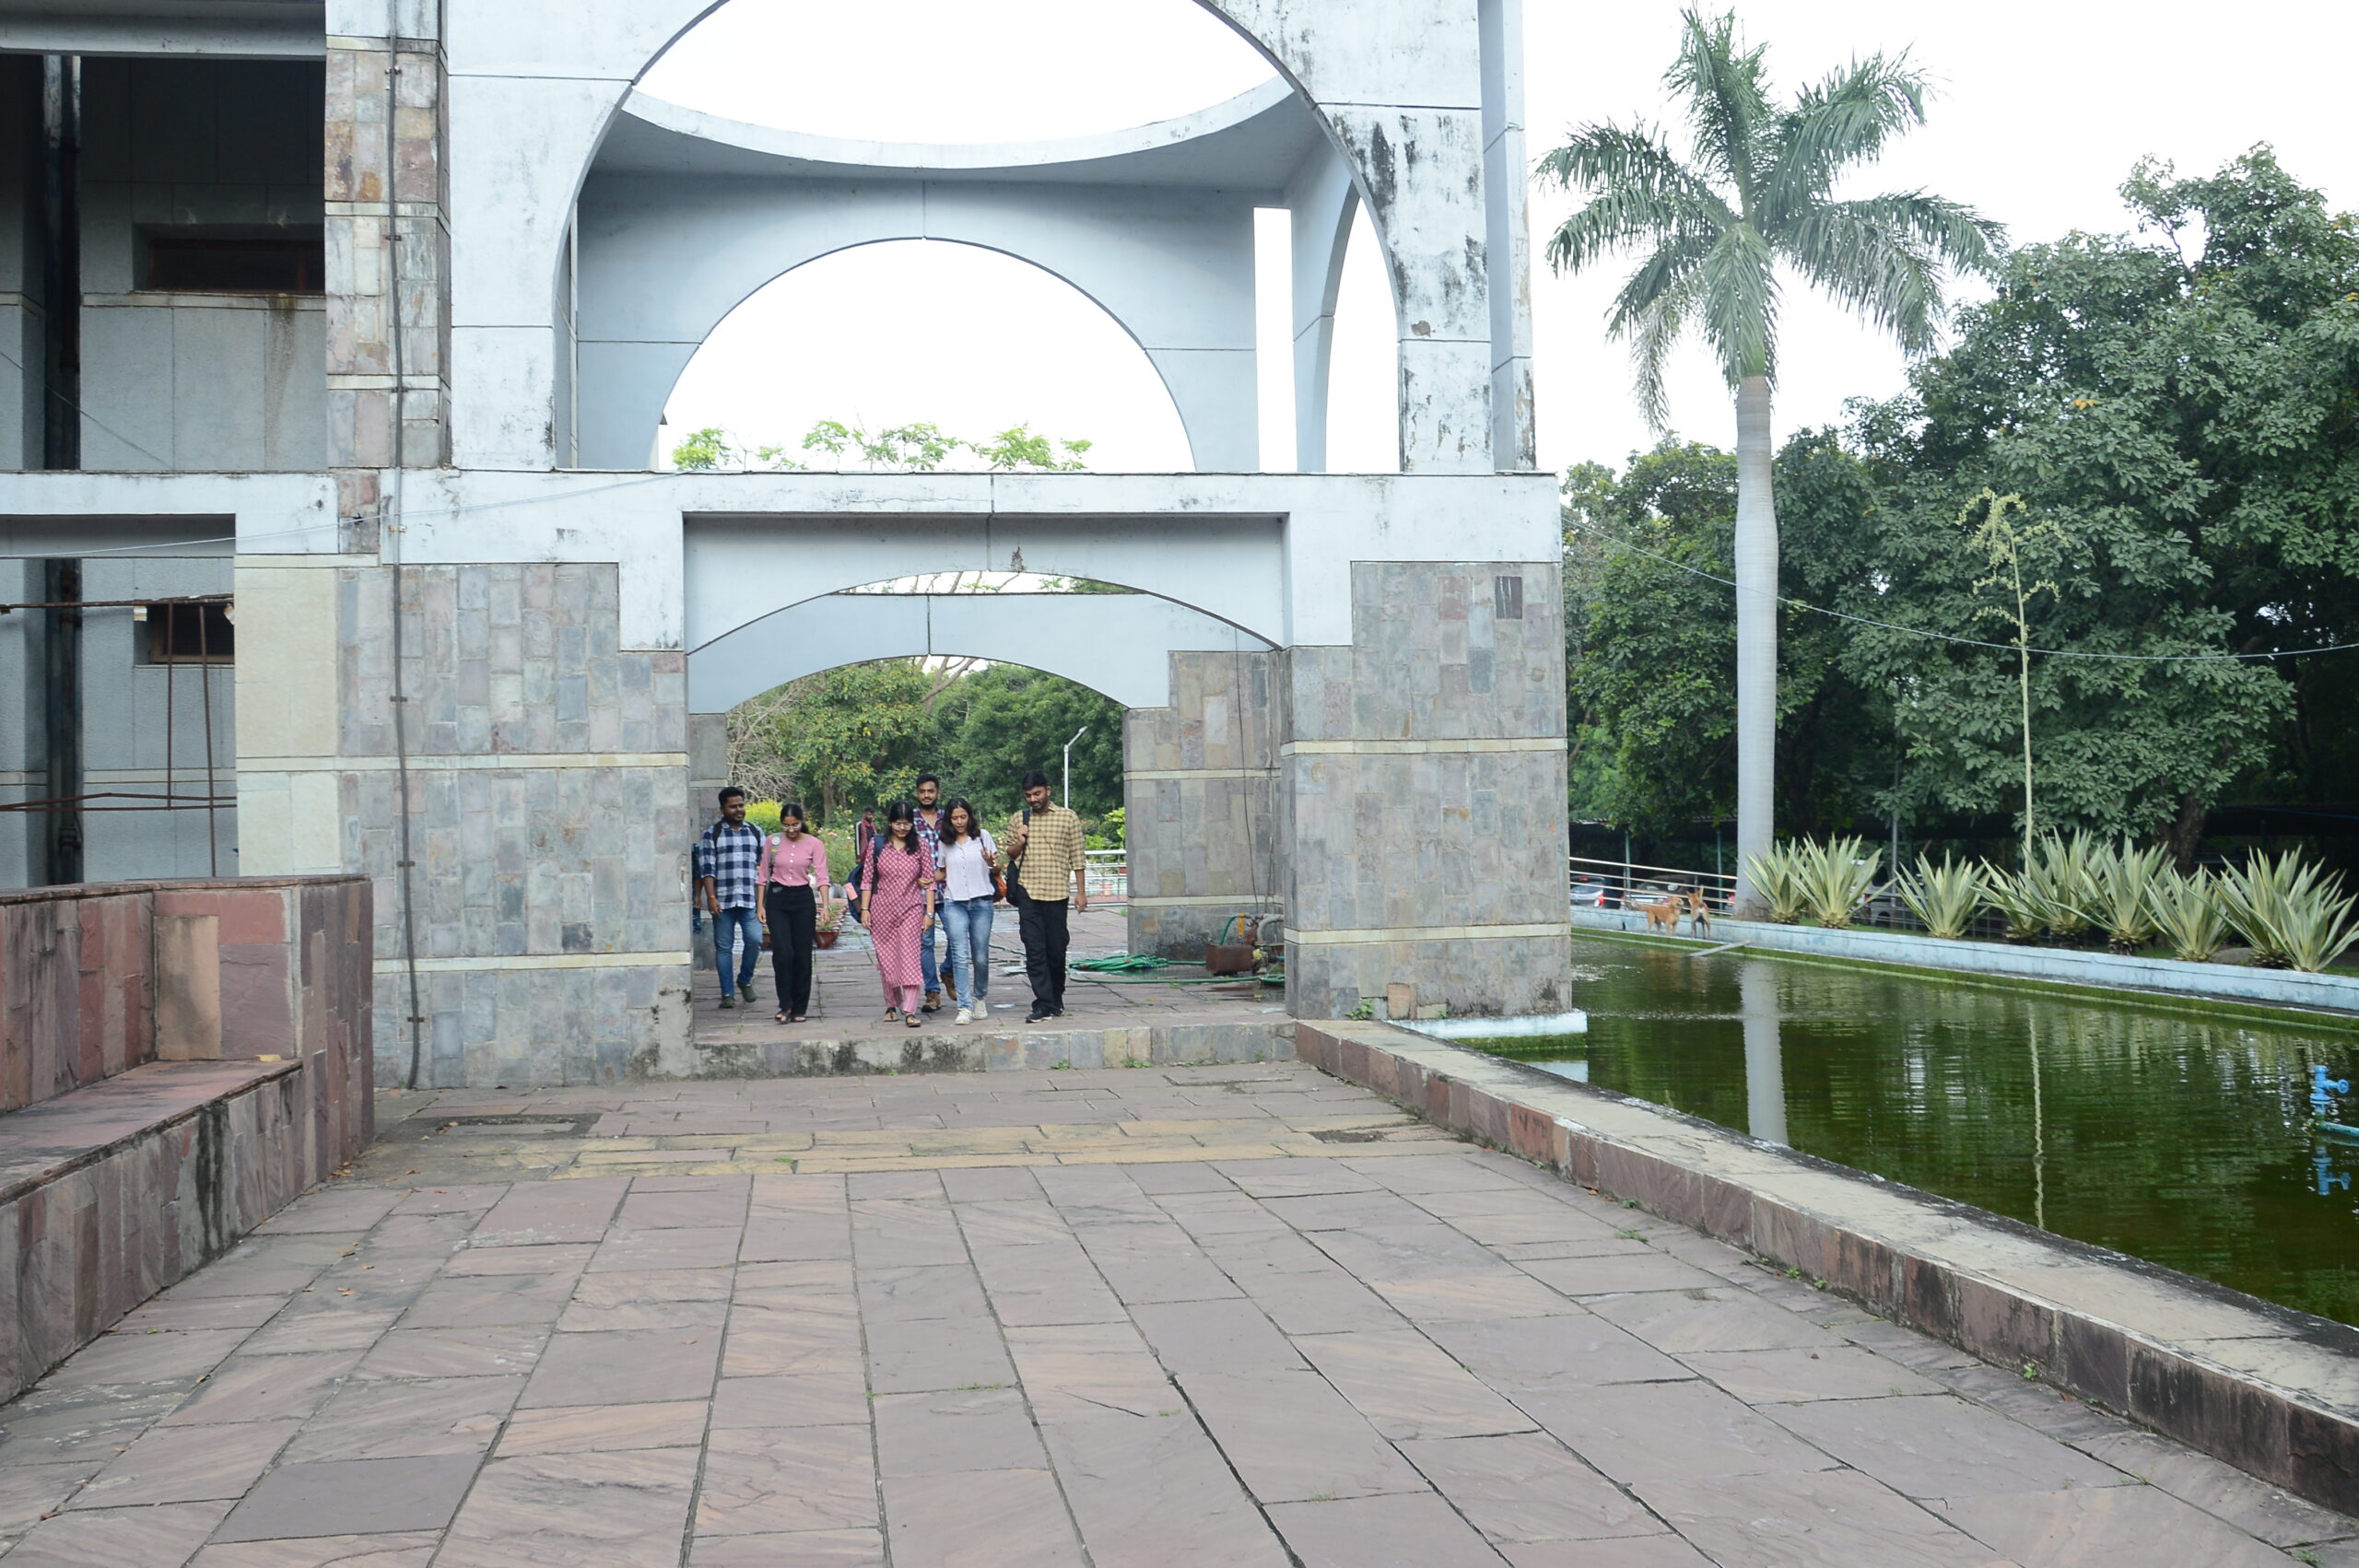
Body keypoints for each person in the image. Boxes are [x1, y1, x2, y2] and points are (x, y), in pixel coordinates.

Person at [1004, 768, 1087, 1023]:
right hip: (1028, 893)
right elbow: (1010, 854)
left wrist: (1081, 893)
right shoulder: (1019, 818)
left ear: (1048, 791)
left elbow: (1078, 856)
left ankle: (1055, 998)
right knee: (1034, 949)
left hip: (1057, 893)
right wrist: (1020, 840)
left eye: (1037, 794)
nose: (1033, 799)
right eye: (1028, 795)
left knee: (1056, 950)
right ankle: (1043, 1002)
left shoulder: (1067, 817)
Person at [861, 800, 936, 1026]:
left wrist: (929, 913)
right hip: (881, 910)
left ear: (913, 824)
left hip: (911, 909)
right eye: (897, 823)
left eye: (906, 824)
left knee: (910, 958)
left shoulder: (920, 846)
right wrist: (865, 909)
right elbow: (867, 880)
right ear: (890, 823)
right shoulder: (878, 844)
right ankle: (891, 1004)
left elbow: (929, 882)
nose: (902, 828)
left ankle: (910, 1010)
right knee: (887, 959)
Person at [757, 801, 832, 1024]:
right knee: (782, 952)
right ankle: (785, 1004)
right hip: (777, 899)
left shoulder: (814, 844)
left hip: (802, 899)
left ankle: (800, 1007)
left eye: (795, 825)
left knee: (802, 954)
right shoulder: (772, 841)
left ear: (802, 822)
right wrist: (760, 905)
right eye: (786, 825)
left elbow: (822, 876)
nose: (791, 830)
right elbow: (762, 876)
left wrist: (825, 905)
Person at [698, 787, 765, 1010]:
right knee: (724, 948)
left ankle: (745, 979)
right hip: (723, 901)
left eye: (741, 805)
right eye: (733, 806)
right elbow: (707, 869)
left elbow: (764, 869)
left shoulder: (755, 832)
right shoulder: (712, 834)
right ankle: (727, 993)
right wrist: (711, 897)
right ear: (722, 809)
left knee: (754, 940)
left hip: (748, 899)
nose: (738, 810)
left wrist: (763, 903)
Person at [933, 797, 999, 1024]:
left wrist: (990, 861)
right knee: (959, 956)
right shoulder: (945, 842)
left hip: (982, 902)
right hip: (955, 903)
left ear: (969, 817)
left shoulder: (982, 837)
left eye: (963, 817)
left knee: (980, 957)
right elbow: (942, 871)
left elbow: (996, 868)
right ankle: (964, 1006)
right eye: (955, 818)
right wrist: (925, 878)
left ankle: (979, 997)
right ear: (949, 820)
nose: (960, 822)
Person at [911, 774, 948, 1013]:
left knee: (959, 937)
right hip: (921, 893)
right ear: (917, 793)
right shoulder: (910, 820)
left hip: (950, 890)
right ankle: (932, 992)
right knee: (925, 943)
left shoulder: (949, 818)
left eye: (931, 791)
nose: (927, 795)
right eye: (922, 791)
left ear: (937, 793)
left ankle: (948, 971)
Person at [846, 806, 878, 925]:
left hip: (873, 858)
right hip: (863, 859)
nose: (870, 816)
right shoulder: (860, 825)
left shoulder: (872, 826)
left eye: (871, 814)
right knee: (854, 882)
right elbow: (858, 840)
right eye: (868, 814)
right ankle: (859, 908)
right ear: (864, 814)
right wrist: (858, 856)